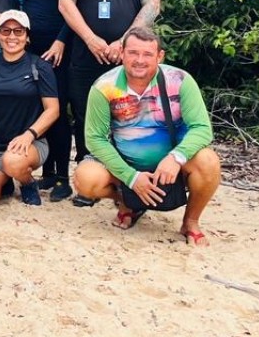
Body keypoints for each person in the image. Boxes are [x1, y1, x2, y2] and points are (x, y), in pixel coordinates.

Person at [71, 27, 220, 244]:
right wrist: (131, 176)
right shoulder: (104, 87)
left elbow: (202, 128)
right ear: (122, 53)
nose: (139, 60)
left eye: (147, 54)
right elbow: (95, 139)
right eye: (133, 53)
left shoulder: (180, 80)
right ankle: (129, 203)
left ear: (159, 56)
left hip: (171, 165)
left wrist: (175, 158)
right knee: (85, 178)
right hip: (125, 162)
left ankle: (190, 221)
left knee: (209, 161)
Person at [57, 0, 162, 200]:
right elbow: (66, 3)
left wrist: (124, 43)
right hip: (85, 53)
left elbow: (152, 5)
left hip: (128, 58)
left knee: (128, 113)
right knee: (83, 113)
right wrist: (91, 39)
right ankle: (86, 178)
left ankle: (125, 175)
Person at [10, 0, 73, 200]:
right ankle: (47, 172)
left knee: (57, 111)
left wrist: (61, 41)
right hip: (30, 49)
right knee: (37, 109)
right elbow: (15, 7)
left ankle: (62, 176)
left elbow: (74, 5)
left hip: (59, 48)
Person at [0, 11, 61, 209]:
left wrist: (29, 135)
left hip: (30, 144)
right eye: (6, 31)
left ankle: (27, 183)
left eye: (18, 31)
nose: (12, 37)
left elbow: (52, 110)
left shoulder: (39, 66)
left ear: (27, 36)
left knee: (13, 161)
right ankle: (5, 180)